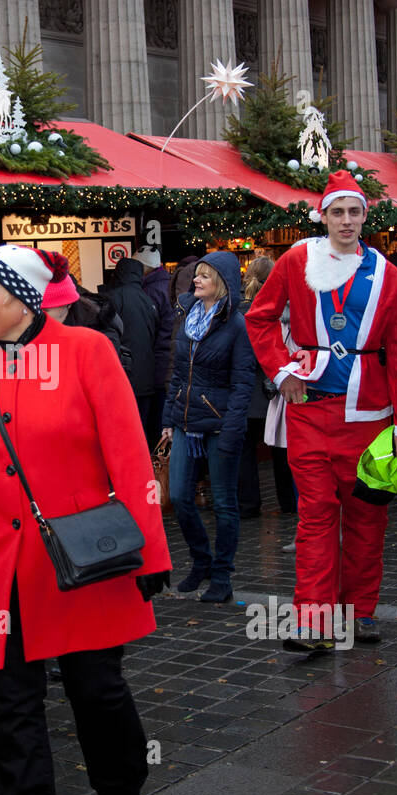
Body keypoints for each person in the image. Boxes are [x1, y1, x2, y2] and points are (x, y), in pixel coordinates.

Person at [0, 244, 171, 795]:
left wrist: (151, 549)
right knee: (10, 707)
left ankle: (121, 785)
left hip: (80, 558)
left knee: (96, 691)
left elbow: (129, 456)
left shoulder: (87, 351)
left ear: (24, 297)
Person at [245, 171, 397, 651]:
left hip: (370, 416)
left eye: (354, 211)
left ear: (366, 216)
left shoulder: (389, 275)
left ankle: (359, 612)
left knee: (366, 519)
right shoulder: (297, 259)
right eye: (336, 211)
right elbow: (259, 319)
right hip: (309, 412)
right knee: (315, 516)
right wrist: (283, 374)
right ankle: (314, 621)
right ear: (322, 215)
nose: (345, 220)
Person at [160, 252, 256, 602]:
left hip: (220, 424)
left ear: (223, 284)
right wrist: (169, 419)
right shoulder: (186, 316)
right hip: (186, 421)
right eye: (196, 275)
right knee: (180, 497)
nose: (195, 280)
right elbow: (177, 370)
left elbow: (244, 381)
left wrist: (232, 429)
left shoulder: (236, 325)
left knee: (224, 504)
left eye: (204, 276)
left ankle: (222, 576)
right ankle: (201, 560)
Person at [237, 257, 296, 517]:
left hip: (248, 391)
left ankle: (249, 504)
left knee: (246, 450)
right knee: (282, 449)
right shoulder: (282, 310)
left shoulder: (239, 311)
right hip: (276, 390)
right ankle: (288, 502)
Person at [103, 256, 160, 441]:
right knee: (141, 432)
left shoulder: (113, 297)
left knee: (122, 433)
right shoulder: (148, 299)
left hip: (122, 374)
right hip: (147, 375)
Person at [133, 242, 175, 443]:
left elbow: (151, 332)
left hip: (156, 363)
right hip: (167, 361)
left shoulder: (149, 291)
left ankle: (157, 466)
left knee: (156, 421)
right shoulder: (167, 284)